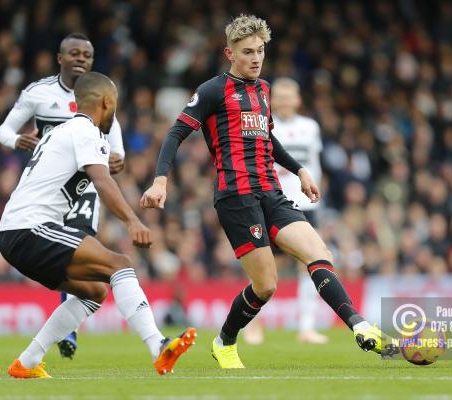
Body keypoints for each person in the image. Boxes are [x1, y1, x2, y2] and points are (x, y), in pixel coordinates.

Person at [141, 14, 398, 369]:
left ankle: (362, 328)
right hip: (236, 198)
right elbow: (175, 134)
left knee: (319, 252)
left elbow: (268, 138)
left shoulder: (263, 90)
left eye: (260, 51)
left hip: (272, 192)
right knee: (266, 286)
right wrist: (160, 179)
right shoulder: (213, 90)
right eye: (247, 52)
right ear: (229, 53)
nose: (256, 58)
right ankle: (225, 342)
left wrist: (300, 169)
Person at [0, 72, 196, 379]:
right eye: (114, 105)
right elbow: (102, 180)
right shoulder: (85, 131)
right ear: (106, 102)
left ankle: (26, 362)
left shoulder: (62, 131)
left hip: (17, 231)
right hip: (29, 228)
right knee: (121, 264)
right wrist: (133, 221)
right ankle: (159, 346)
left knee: (93, 291)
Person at [0, 32, 125, 359]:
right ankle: (65, 324)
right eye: (75, 53)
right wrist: (16, 141)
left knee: (81, 247)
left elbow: (114, 136)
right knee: (71, 254)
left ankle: (69, 328)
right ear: (60, 58)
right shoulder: (39, 93)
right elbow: (4, 130)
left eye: (87, 55)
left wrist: (118, 156)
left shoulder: (100, 92)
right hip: (47, 189)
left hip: (82, 189)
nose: (81, 59)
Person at [243, 77, 328, 345]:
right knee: (266, 267)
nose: (283, 100)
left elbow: (314, 163)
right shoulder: (264, 124)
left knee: (309, 264)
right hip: (273, 202)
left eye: (288, 96)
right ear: (271, 99)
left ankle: (306, 327)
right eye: (278, 96)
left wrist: (317, 193)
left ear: (298, 99)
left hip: (304, 205)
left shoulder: (310, 127)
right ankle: (252, 325)